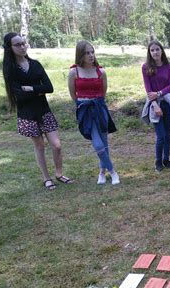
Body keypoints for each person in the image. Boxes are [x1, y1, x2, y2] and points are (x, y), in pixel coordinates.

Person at [2, 32, 73, 190]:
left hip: (44, 111)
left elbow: (49, 87)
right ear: (10, 48)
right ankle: (46, 178)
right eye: (18, 44)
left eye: (23, 43)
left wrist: (31, 88)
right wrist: (38, 91)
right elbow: (18, 95)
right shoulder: (10, 69)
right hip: (27, 114)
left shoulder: (35, 64)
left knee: (57, 145)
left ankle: (59, 174)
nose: (22, 47)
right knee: (40, 146)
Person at [68, 40, 120, 185]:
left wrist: (97, 103)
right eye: (87, 53)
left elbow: (103, 93)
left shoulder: (101, 71)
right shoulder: (74, 72)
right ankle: (113, 172)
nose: (91, 55)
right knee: (97, 145)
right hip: (85, 110)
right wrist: (82, 104)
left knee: (104, 143)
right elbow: (73, 95)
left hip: (99, 108)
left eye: (92, 52)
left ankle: (102, 173)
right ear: (80, 54)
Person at [141, 40, 170, 172]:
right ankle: (158, 161)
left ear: (162, 50)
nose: (155, 52)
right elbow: (148, 89)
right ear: (149, 53)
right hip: (154, 105)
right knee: (160, 136)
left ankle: (166, 159)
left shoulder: (168, 67)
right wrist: (155, 104)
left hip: (167, 103)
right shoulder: (146, 67)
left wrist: (159, 93)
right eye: (152, 50)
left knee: (167, 135)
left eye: (157, 49)